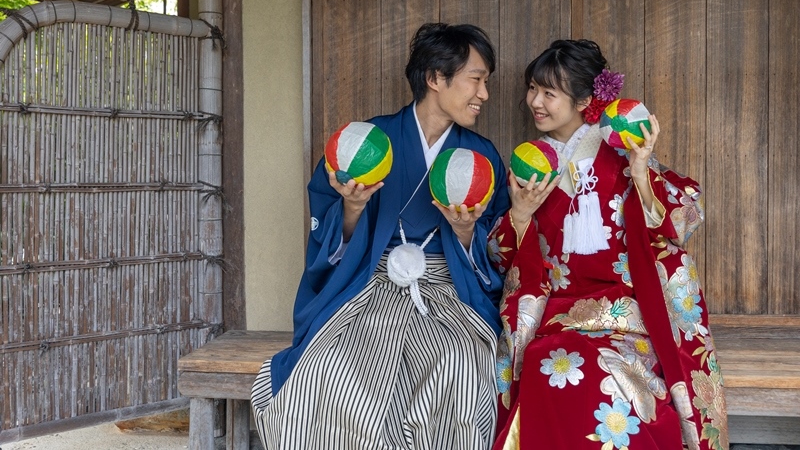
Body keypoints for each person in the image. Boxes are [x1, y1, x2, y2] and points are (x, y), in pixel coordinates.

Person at [251, 23, 511, 449]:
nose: (483, 93)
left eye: (486, 82)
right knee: (328, 367)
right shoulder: (366, 143)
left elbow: (497, 245)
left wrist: (466, 233)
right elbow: (328, 231)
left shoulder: (480, 156)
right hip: (369, 281)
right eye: (476, 79)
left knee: (461, 365)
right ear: (435, 78)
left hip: (449, 287)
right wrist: (352, 208)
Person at [489, 39, 728, 449]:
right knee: (552, 367)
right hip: (556, 320)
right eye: (532, 89)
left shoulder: (621, 154)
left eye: (549, 93)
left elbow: (684, 219)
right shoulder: (532, 164)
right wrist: (521, 216)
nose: (535, 102)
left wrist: (641, 171)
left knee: (601, 375)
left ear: (585, 101)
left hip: (626, 320)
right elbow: (499, 255)